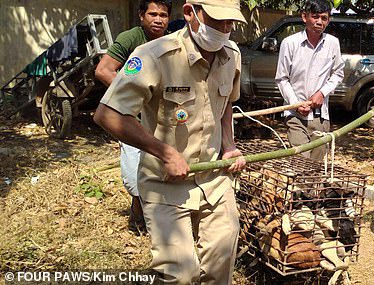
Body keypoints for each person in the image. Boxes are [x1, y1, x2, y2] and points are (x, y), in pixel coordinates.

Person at [93, 0, 247, 283]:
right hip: (165, 183)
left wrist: (228, 145)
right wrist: (164, 152)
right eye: (217, 20)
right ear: (190, 13)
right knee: (180, 274)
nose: (226, 29)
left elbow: (225, 104)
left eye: (231, 22)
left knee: (220, 266)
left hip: (214, 180)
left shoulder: (231, 54)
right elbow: (107, 113)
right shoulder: (154, 55)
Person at [95, 0, 171, 235]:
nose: (158, 19)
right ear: (141, 15)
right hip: (134, 118)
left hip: (164, 117)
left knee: (162, 165)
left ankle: (158, 217)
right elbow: (103, 70)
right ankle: (138, 214)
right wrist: (134, 96)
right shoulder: (131, 39)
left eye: (163, 15)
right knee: (133, 170)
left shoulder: (173, 39)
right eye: (153, 14)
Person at [275, 0, 344, 161]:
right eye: (315, 17)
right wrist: (296, 103)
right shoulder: (290, 43)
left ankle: (312, 188)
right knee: (300, 160)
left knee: (317, 163)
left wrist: (322, 93)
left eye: (324, 18)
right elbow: (282, 78)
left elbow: (338, 73)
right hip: (295, 115)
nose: (319, 22)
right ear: (305, 17)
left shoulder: (333, 44)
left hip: (320, 115)